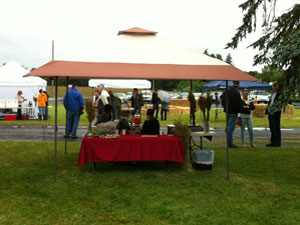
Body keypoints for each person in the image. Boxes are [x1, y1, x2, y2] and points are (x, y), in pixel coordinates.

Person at [221, 80, 242, 148]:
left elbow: (222, 99)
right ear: (238, 85)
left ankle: (229, 142)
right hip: (233, 112)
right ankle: (230, 143)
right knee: (230, 128)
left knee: (228, 127)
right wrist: (240, 110)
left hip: (227, 111)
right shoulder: (237, 92)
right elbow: (239, 103)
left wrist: (225, 107)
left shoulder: (226, 91)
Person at [265, 81, 282, 147]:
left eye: (274, 86)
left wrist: (274, 110)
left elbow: (279, 105)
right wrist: (267, 110)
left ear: (277, 87)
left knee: (276, 128)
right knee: (272, 128)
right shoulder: (273, 94)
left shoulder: (279, 94)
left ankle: (277, 143)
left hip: (276, 113)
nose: (272, 87)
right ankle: (273, 142)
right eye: (272, 86)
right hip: (270, 113)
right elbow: (270, 103)